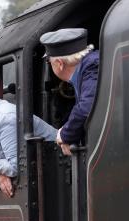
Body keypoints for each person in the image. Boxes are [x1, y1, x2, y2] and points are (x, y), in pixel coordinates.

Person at [40, 28, 99, 156]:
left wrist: (65, 134)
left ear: (59, 63)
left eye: (48, 61)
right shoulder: (86, 69)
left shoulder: (92, 67)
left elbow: (87, 107)